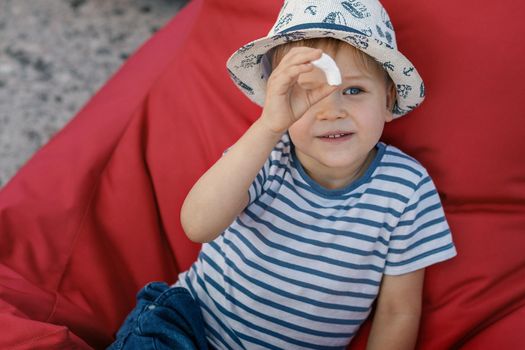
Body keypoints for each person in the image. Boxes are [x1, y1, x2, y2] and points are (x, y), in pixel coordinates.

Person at [109, 0, 457, 349]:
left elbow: (398, 311)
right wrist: (269, 126)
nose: (331, 111)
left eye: (354, 90)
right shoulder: (265, 157)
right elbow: (198, 225)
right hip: (188, 327)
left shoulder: (407, 189)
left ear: (388, 99)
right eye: (307, 93)